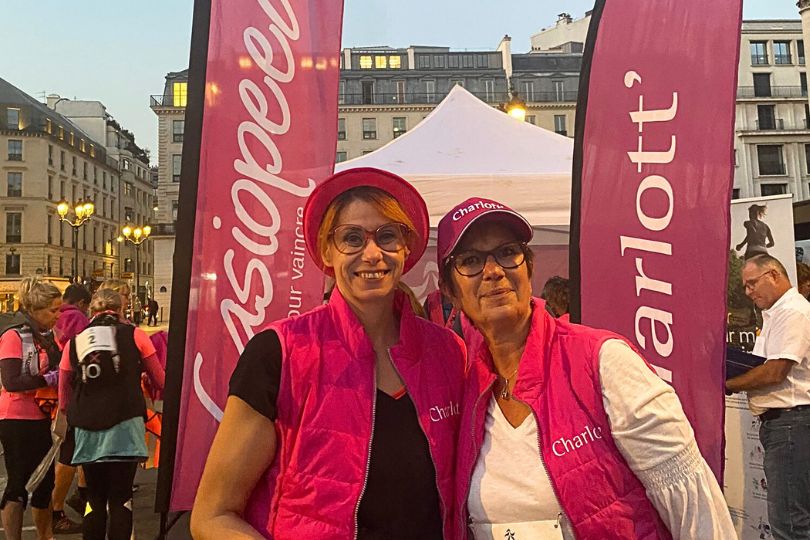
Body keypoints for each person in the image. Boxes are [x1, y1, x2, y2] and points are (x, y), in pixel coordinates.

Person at [191, 168, 466, 539]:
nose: (372, 254)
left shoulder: (448, 352)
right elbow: (213, 516)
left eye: (387, 236)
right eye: (352, 238)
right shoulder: (279, 353)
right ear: (326, 251)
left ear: (406, 248)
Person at [438, 198, 735, 539]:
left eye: (507, 252)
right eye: (471, 261)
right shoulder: (464, 390)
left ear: (528, 269)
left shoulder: (602, 361)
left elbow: (693, 504)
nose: (493, 271)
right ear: (450, 291)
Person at [58, 288, 165, 540]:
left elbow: (64, 389)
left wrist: (71, 413)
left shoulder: (75, 340)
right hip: (125, 423)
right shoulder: (136, 335)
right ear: (119, 310)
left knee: (94, 498)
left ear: (93, 311)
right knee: (121, 498)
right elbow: (160, 379)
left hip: (87, 426)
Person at [726, 254, 810, 540]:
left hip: (791, 423)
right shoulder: (777, 313)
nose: (748, 292)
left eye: (752, 284)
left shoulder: (793, 312)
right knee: (792, 517)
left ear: (773, 275)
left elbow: (774, 372)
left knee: (789, 523)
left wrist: (727, 384)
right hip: (785, 425)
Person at [0, 277, 62, 540]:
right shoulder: (15, 335)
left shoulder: (48, 336)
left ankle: (45, 536)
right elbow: (11, 381)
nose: (58, 316)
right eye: (53, 310)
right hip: (15, 416)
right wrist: (46, 379)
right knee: (18, 483)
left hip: (40, 415)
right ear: (35, 310)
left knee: (46, 482)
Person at [52, 284, 92, 535]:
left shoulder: (58, 319)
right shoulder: (77, 318)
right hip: (75, 393)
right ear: (81, 303)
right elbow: (84, 356)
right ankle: (55, 509)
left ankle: (82, 497)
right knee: (70, 453)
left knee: (79, 450)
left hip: (63, 393)